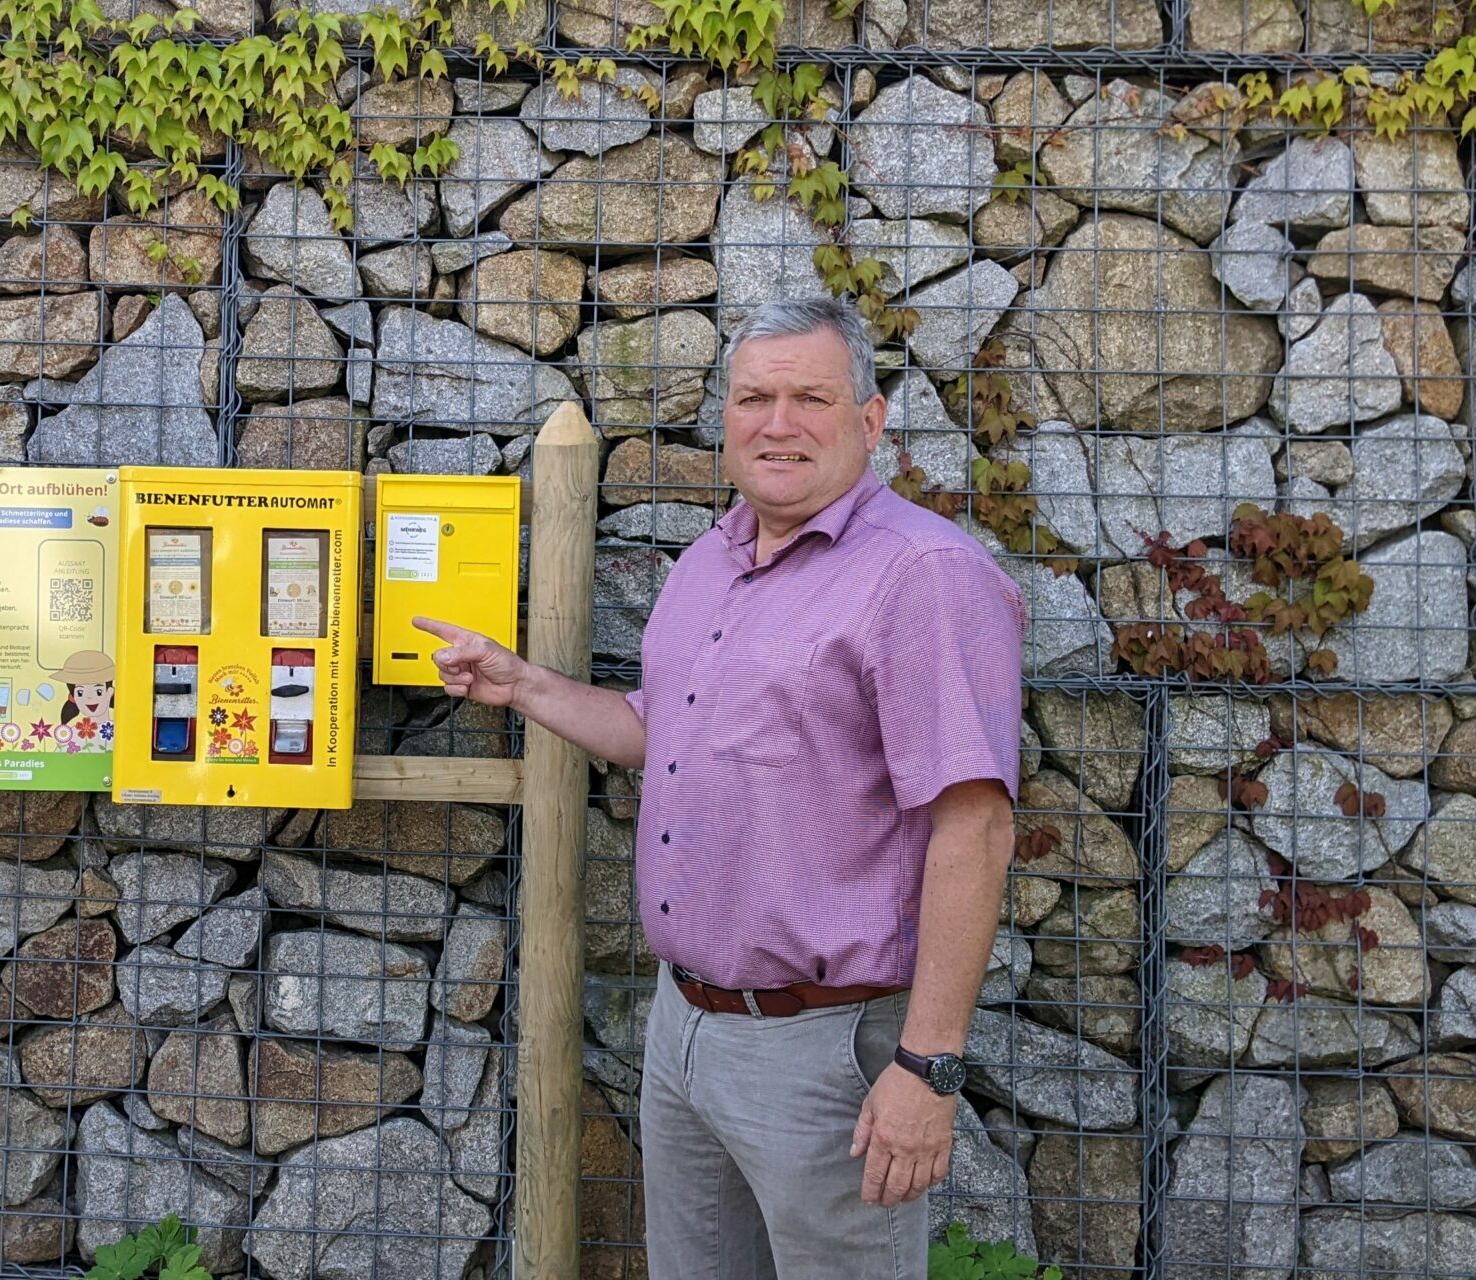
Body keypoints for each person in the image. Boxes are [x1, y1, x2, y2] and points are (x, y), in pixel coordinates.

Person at [416, 297, 1026, 1280]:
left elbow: (976, 825)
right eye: (753, 397)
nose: (776, 421)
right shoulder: (713, 557)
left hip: (823, 1044)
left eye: (808, 397)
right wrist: (520, 681)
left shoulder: (923, 574)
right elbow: (662, 731)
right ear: (726, 417)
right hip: (684, 1026)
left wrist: (927, 1067)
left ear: (869, 421)